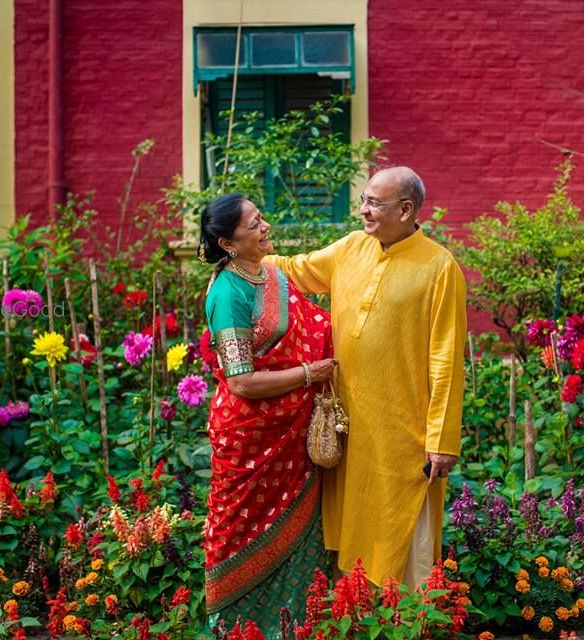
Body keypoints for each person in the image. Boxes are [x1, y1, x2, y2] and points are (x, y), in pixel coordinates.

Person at [266, 166, 467, 588]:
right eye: (364, 200)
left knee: (405, 527)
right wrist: (242, 257)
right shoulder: (351, 248)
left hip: (405, 430)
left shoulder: (439, 267)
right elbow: (295, 270)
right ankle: (355, 613)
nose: (363, 210)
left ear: (406, 209)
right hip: (350, 425)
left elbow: (446, 357)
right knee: (353, 521)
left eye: (374, 203)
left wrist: (441, 439)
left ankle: (408, 622)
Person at [198, 193, 337, 635]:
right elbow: (239, 381)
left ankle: (298, 625)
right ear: (228, 242)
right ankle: (237, 627)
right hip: (250, 439)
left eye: (262, 218)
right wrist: (308, 373)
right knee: (240, 530)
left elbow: (317, 325)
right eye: (254, 224)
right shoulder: (227, 293)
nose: (265, 227)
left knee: (300, 532)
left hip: (292, 435)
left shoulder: (273, 275)